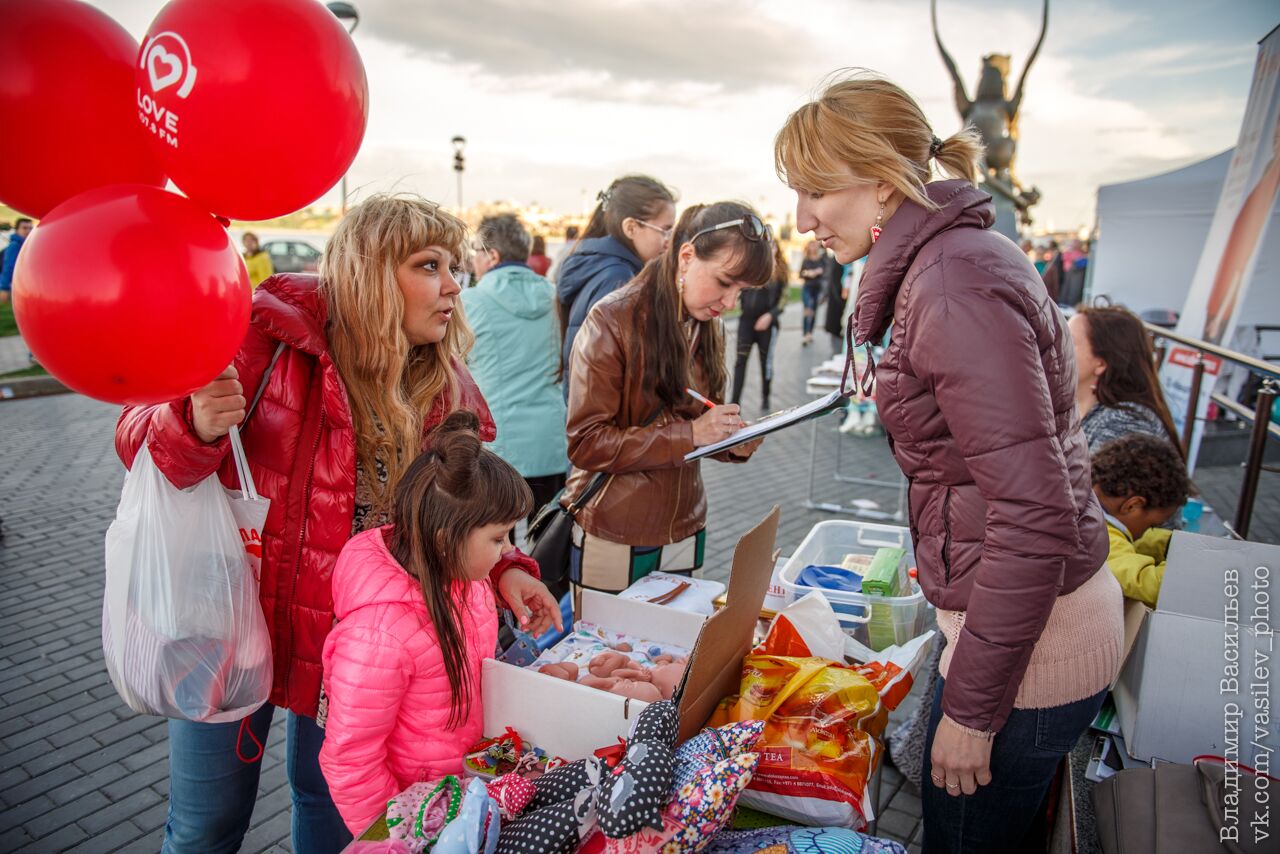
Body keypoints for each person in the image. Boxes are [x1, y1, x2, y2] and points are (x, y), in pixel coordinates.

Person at [114, 195, 556, 854]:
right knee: (206, 824)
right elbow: (133, 436)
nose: (453, 286)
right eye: (428, 265)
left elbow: (460, 514)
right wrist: (190, 424)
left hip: (351, 642)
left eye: (453, 266)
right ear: (373, 273)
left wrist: (506, 569)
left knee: (329, 803)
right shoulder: (265, 337)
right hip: (228, 623)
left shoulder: (444, 385)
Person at [776, 74, 1122, 854]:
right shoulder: (955, 261)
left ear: (878, 176)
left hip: (1030, 654)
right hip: (1015, 635)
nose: (801, 220)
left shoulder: (951, 282)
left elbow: (1032, 515)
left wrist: (970, 710)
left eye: (812, 191)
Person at [319, 411, 555, 834]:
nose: (505, 553)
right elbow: (352, 760)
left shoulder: (460, 576)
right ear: (445, 540)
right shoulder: (379, 635)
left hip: (465, 781)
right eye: (499, 539)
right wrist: (394, 837)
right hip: (424, 813)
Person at [564, 201, 773, 596]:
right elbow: (586, 443)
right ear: (687, 256)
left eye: (742, 291)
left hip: (685, 524)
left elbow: (700, 420)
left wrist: (733, 441)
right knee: (607, 654)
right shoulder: (612, 320)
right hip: (615, 528)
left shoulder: (706, 324)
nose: (731, 303)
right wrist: (692, 434)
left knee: (668, 653)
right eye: (726, 282)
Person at [462, 214, 569, 521]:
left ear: (492, 255)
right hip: (551, 441)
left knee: (493, 548)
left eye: (476, 251)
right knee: (546, 543)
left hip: (500, 446)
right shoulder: (555, 297)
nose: (473, 260)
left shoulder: (473, 301)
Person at [557, 174, 676, 395]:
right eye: (665, 230)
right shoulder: (618, 279)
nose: (670, 240)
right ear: (631, 227)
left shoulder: (602, 267)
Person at [1069, 304, 1183, 455]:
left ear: (1101, 364)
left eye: (1067, 341)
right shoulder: (1080, 411)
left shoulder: (1123, 427)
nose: (1052, 347)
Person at [1091, 434, 1190, 607]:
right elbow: (1147, 584)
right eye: (1151, 526)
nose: (1147, 531)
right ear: (1132, 505)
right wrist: (1196, 567)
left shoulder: (1088, 506)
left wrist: (1169, 544)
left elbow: (1128, 540)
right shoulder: (1098, 538)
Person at [731, 239, 788, 412]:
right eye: (767, 245)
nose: (770, 248)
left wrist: (770, 316)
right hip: (746, 322)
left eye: (773, 245)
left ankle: (765, 397)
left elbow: (784, 299)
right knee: (740, 361)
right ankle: (734, 403)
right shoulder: (750, 268)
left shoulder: (781, 272)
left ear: (777, 248)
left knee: (766, 363)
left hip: (768, 325)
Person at [822, 250, 851, 353]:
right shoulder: (840, 259)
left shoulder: (843, 258)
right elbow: (835, 284)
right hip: (839, 305)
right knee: (838, 346)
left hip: (840, 305)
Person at [798, 240, 825, 345]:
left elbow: (826, 271)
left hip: (817, 288)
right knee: (807, 308)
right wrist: (808, 273)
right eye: (811, 246)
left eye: (814, 246)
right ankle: (805, 333)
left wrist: (819, 271)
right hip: (807, 287)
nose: (813, 248)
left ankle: (810, 332)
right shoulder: (806, 260)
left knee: (813, 310)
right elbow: (801, 274)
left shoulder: (822, 259)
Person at [0, 217, 33, 302]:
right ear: (17, 230)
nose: (28, 231)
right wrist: (4, 287)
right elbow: (8, 267)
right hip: (14, 287)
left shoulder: (28, 244)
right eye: (24, 228)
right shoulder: (15, 246)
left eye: (30, 228)